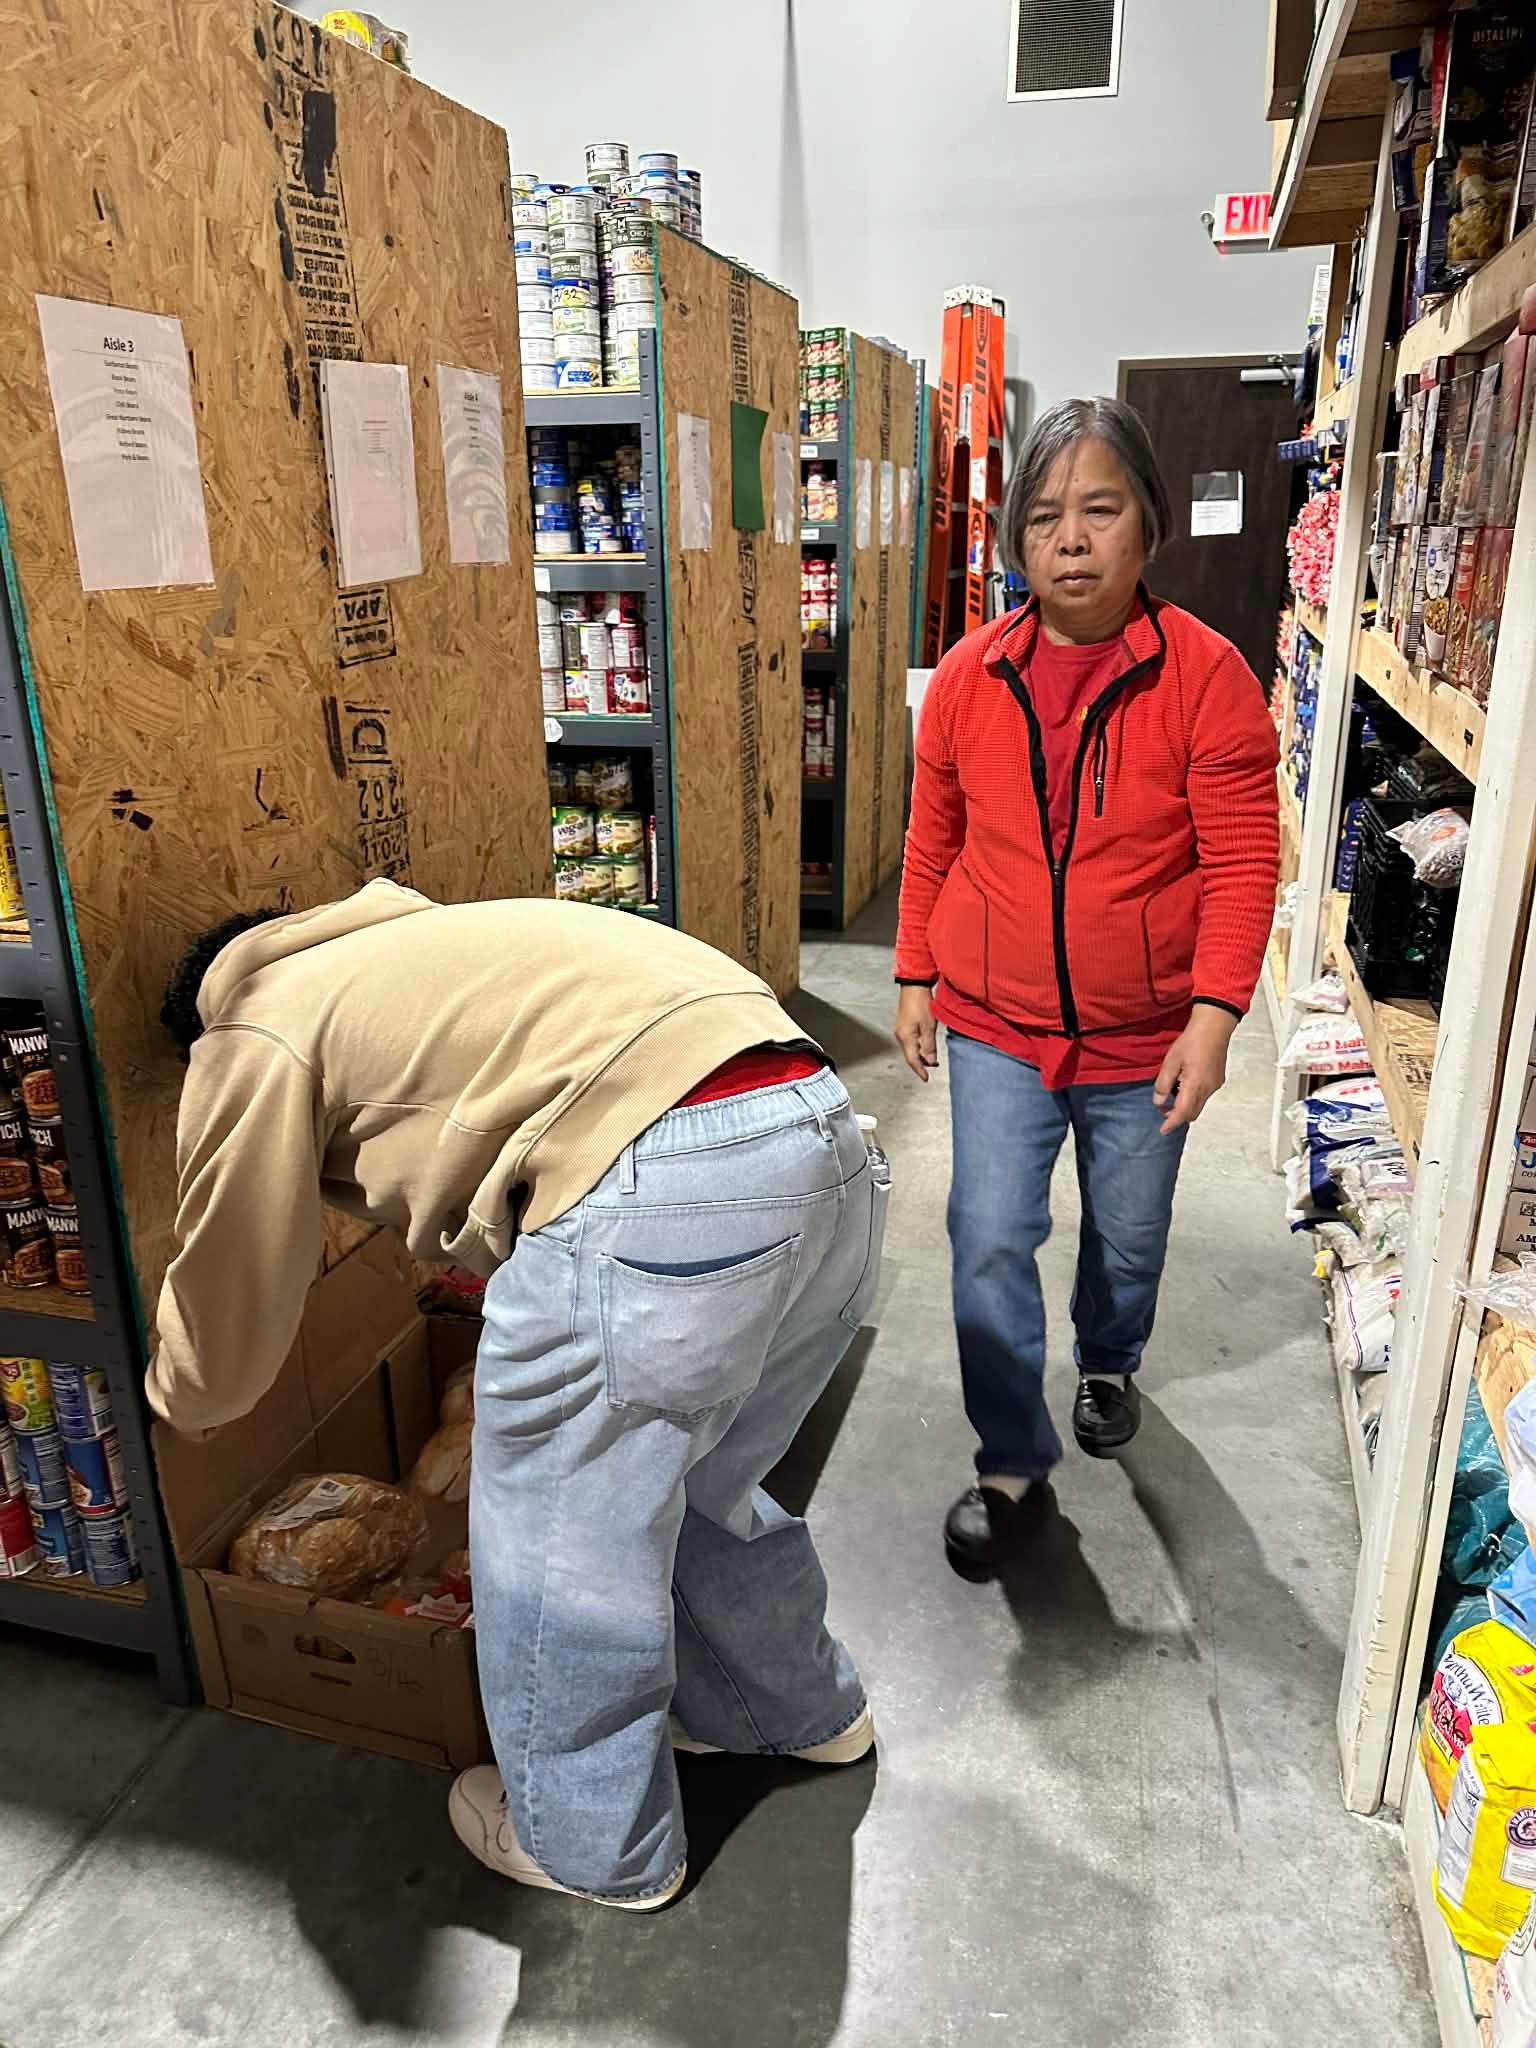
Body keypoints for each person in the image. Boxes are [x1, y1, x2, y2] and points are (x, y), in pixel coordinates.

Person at [149, 880, 885, 1910]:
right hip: (824, 1135)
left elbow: (233, 1274)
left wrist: (179, 1402)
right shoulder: (420, 941)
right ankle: (797, 1710)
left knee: (558, 1543)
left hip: (667, 1183)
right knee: (704, 1478)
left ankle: (591, 1845)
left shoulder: (257, 1024)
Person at [893, 396, 1278, 1572]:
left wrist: (1214, 1017)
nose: (1072, 539)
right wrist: (915, 969)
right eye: (1047, 516)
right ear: (1017, 540)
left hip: (1144, 1034)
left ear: (1147, 527)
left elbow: (1242, 856)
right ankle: (1011, 1458)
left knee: (1129, 1232)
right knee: (988, 1231)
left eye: (1100, 510)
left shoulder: (1207, 679)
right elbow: (934, 835)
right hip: (998, 1025)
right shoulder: (968, 679)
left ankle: (1109, 1357)